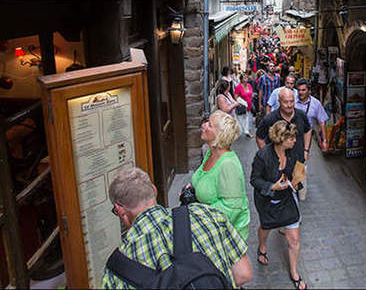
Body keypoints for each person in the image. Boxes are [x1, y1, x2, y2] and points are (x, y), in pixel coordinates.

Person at [102, 167, 252, 289]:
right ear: (154, 190)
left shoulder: (116, 270)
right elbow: (243, 274)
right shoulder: (207, 214)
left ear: (119, 210)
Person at [250, 121, 307, 290]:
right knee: (266, 227)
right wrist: (272, 186)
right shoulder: (263, 156)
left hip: (287, 199)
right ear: (281, 139)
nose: (295, 141)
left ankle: (294, 272)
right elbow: (254, 180)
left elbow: (298, 171)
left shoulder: (293, 152)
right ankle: (262, 247)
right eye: (291, 138)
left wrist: (296, 183)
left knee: (294, 239)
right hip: (267, 200)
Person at [188, 110, 250, 239]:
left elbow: (232, 208)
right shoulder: (211, 153)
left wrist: (196, 213)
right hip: (210, 231)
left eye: (209, 125)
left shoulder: (228, 164)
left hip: (227, 238)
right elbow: (205, 177)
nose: (203, 126)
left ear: (220, 135)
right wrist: (191, 188)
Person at [256, 89, 311, 200]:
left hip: (298, 165)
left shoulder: (301, 115)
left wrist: (306, 150)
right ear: (279, 101)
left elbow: (308, 130)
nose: (289, 105)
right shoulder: (270, 119)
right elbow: (259, 137)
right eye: (286, 102)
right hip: (277, 167)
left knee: (300, 196)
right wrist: (267, 156)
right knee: (279, 197)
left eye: (292, 101)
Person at [294, 79, 329, 198]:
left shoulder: (316, 104)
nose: (301, 92)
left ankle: (300, 189)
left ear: (309, 90)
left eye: (303, 90)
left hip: (305, 138)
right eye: (299, 90)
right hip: (291, 137)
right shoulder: (292, 101)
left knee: (302, 162)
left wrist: (324, 141)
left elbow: (322, 122)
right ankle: (292, 186)